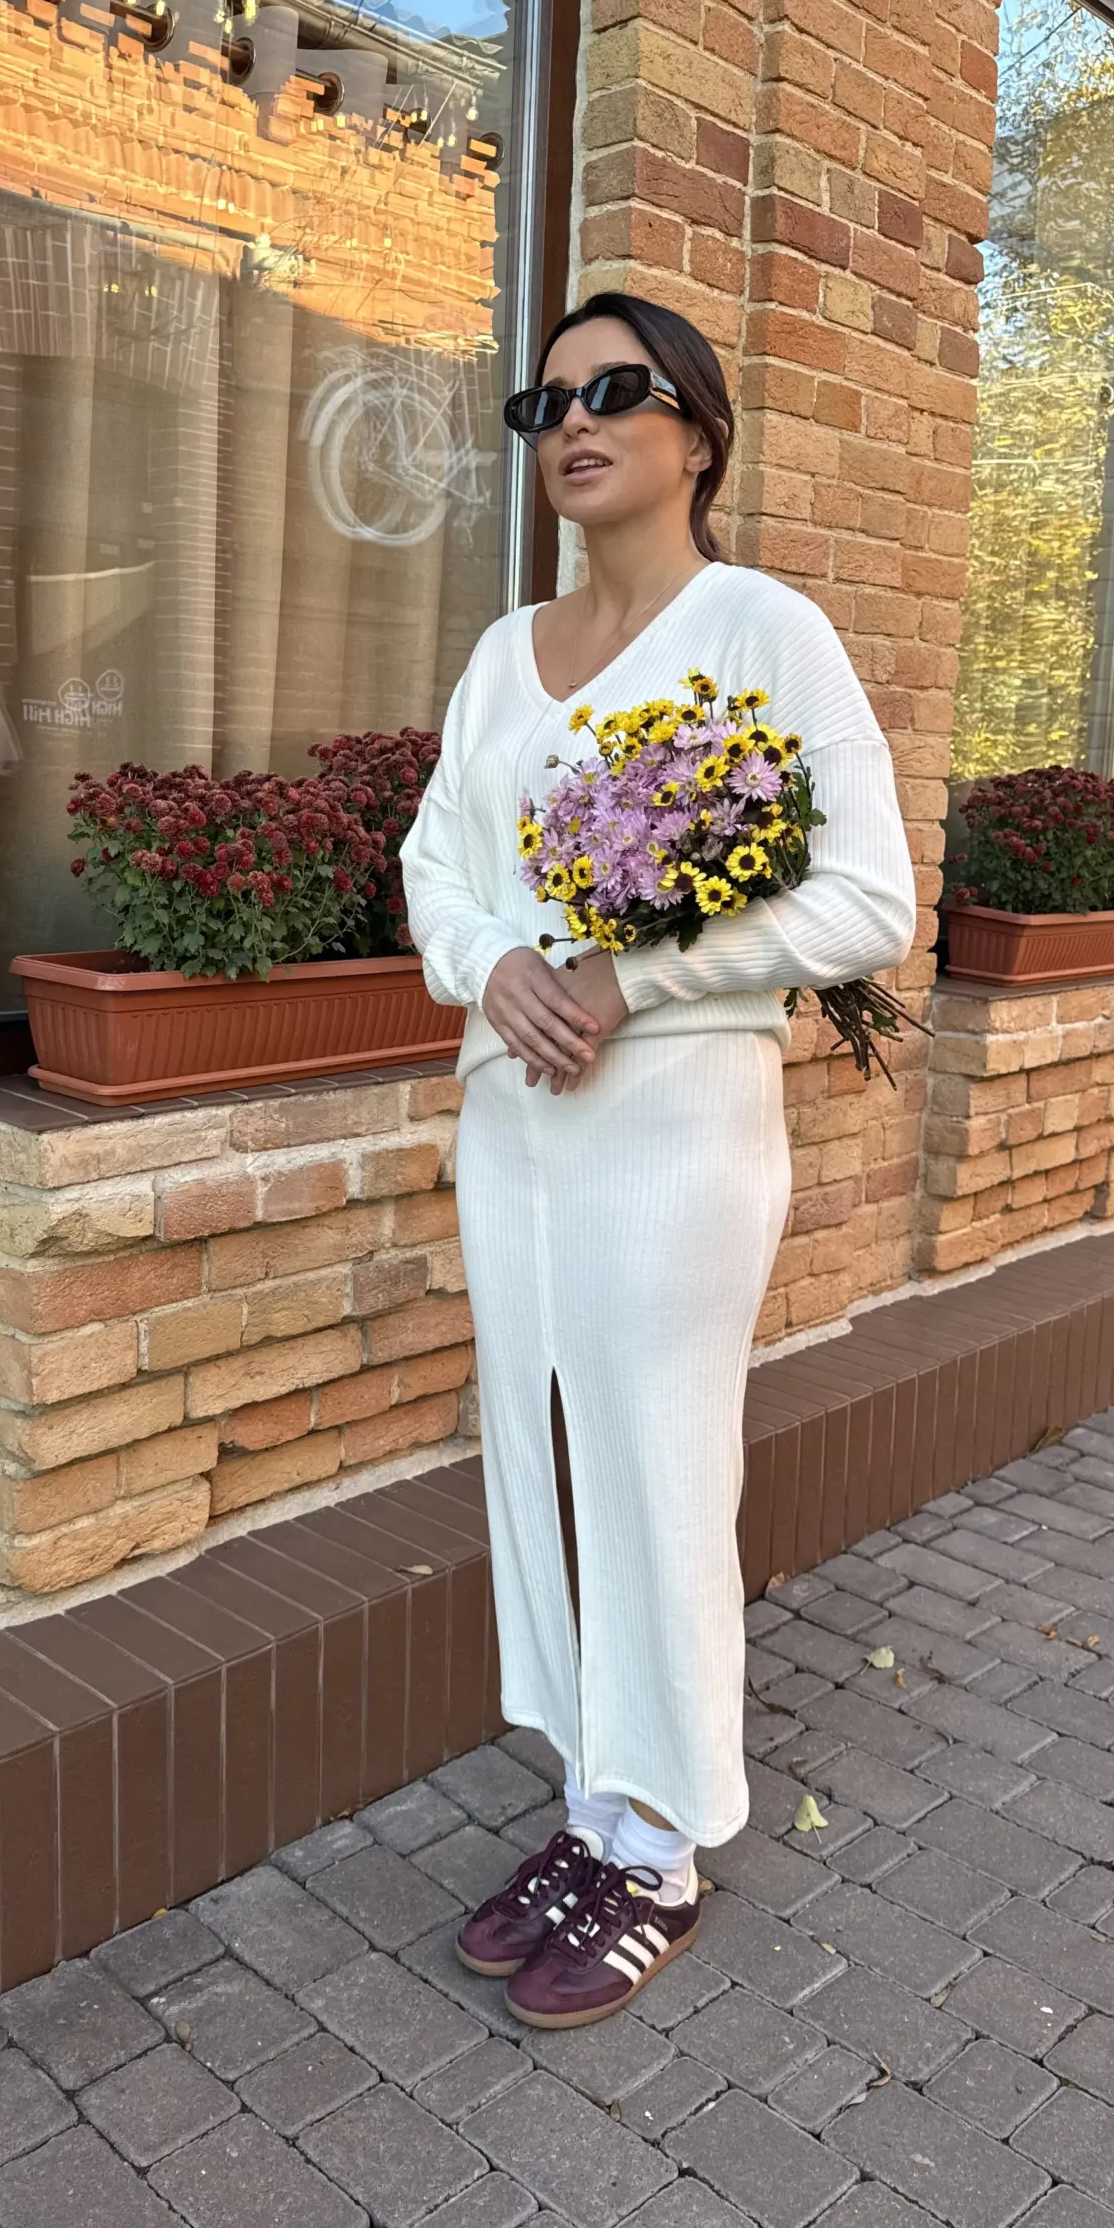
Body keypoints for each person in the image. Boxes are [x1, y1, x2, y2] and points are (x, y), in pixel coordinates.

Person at [398, 292, 917, 2029]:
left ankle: (665, 1846)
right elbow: (437, 869)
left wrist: (639, 974)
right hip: (512, 1120)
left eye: (614, 389)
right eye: (542, 401)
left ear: (698, 431)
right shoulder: (501, 656)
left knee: (654, 1461)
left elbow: (869, 901)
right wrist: (497, 964)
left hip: (676, 1121)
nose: (572, 420)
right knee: (538, 1459)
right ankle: (592, 1806)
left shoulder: (762, 629)